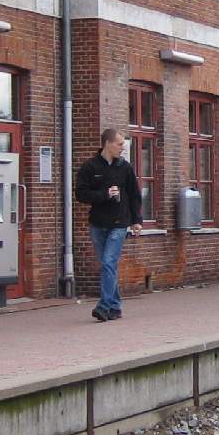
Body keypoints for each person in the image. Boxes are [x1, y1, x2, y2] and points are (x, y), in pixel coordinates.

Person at [75, 127, 143, 321]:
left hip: (119, 223)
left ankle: (104, 306)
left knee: (108, 263)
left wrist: (136, 221)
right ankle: (115, 306)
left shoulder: (125, 167)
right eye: (119, 144)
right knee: (108, 266)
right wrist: (104, 194)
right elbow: (81, 194)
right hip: (98, 223)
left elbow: (134, 195)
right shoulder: (90, 167)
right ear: (108, 144)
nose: (123, 147)